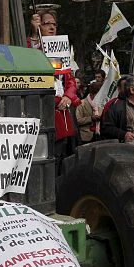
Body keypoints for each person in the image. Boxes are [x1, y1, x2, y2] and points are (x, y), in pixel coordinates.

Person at [26, 9, 80, 165]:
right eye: (46, 23)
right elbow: (28, 57)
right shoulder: (32, 45)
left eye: (54, 24)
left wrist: (68, 97)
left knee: (64, 155)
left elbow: (70, 80)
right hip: (43, 108)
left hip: (62, 112)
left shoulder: (61, 50)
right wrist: (35, 34)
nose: (52, 27)